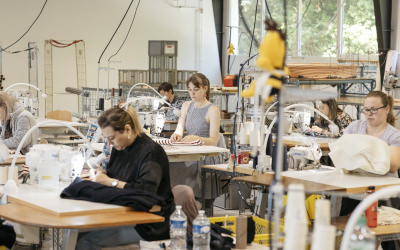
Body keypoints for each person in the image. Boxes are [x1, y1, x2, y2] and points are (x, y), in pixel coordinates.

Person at [76, 107, 175, 249]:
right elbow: (113, 175)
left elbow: (147, 191)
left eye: (111, 138)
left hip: (151, 224)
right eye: (106, 139)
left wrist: (111, 182)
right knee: (79, 232)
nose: (109, 144)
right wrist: (102, 175)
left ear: (127, 130)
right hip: (127, 213)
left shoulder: (151, 152)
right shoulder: (119, 148)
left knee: (85, 241)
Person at [340, 91, 400, 250]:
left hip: (383, 192)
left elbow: (392, 165)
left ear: (386, 109)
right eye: (366, 109)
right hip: (355, 188)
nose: (369, 113)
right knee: (348, 231)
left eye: (374, 109)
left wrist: (359, 157)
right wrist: (376, 158)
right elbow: (342, 154)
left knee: (389, 241)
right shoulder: (355, 127)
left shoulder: (394, 135)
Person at [169, 73, 226, 206]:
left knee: (201, 199)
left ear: (205, 89)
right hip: (190, 153)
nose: (192, 93)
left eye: (196, 90)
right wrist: (177, 134)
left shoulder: (212, 110)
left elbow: (213, 140)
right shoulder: (187, 105)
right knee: (169, 167)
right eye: (190, 90)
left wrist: (196, 138)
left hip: (205, 156)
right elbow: (181, 125)